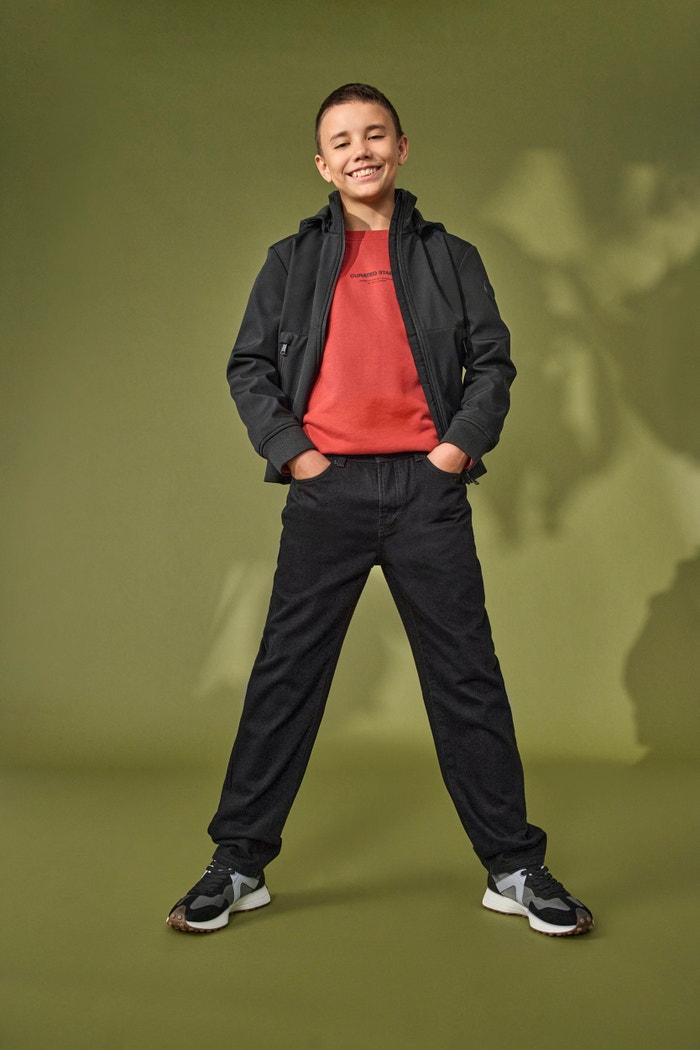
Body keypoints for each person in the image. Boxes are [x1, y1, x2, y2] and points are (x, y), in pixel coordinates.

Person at [166, 84, 594, 938]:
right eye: (341, 141)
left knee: (466, 676)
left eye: (374, 135)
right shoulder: (290, 261)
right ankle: (237, 864)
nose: (359, 150)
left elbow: (493, 363)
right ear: (323, 165)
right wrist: (297, 457)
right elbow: (249, 367)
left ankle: (513, 866)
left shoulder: (450, 256)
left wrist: (454, 452)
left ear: (402, 148)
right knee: (285, 678)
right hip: (326, 493)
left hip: (425, 492)